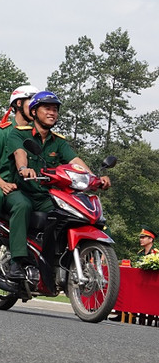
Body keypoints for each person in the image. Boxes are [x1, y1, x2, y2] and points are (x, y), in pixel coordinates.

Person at [9, 91, 110, 279]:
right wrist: (24, 168)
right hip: (23, 191)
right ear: (34, 111)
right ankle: (17, 261)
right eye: (47, 108)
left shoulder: (59, 141)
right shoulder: (19, 133)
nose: (52, 113)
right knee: (22, 206)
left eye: (55, 109)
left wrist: (95, 178)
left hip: (48, 195)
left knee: (77, 213)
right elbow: (19, 153)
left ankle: (57, 259)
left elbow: (75, 161)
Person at [0, 84, 40, 267]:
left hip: (22, 191)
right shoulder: (1, 132)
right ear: (19, 104)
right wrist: (2, 184)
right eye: (32, 103)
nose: (36, 108)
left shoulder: (37, 135)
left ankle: (20, 256)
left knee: (24, 203)